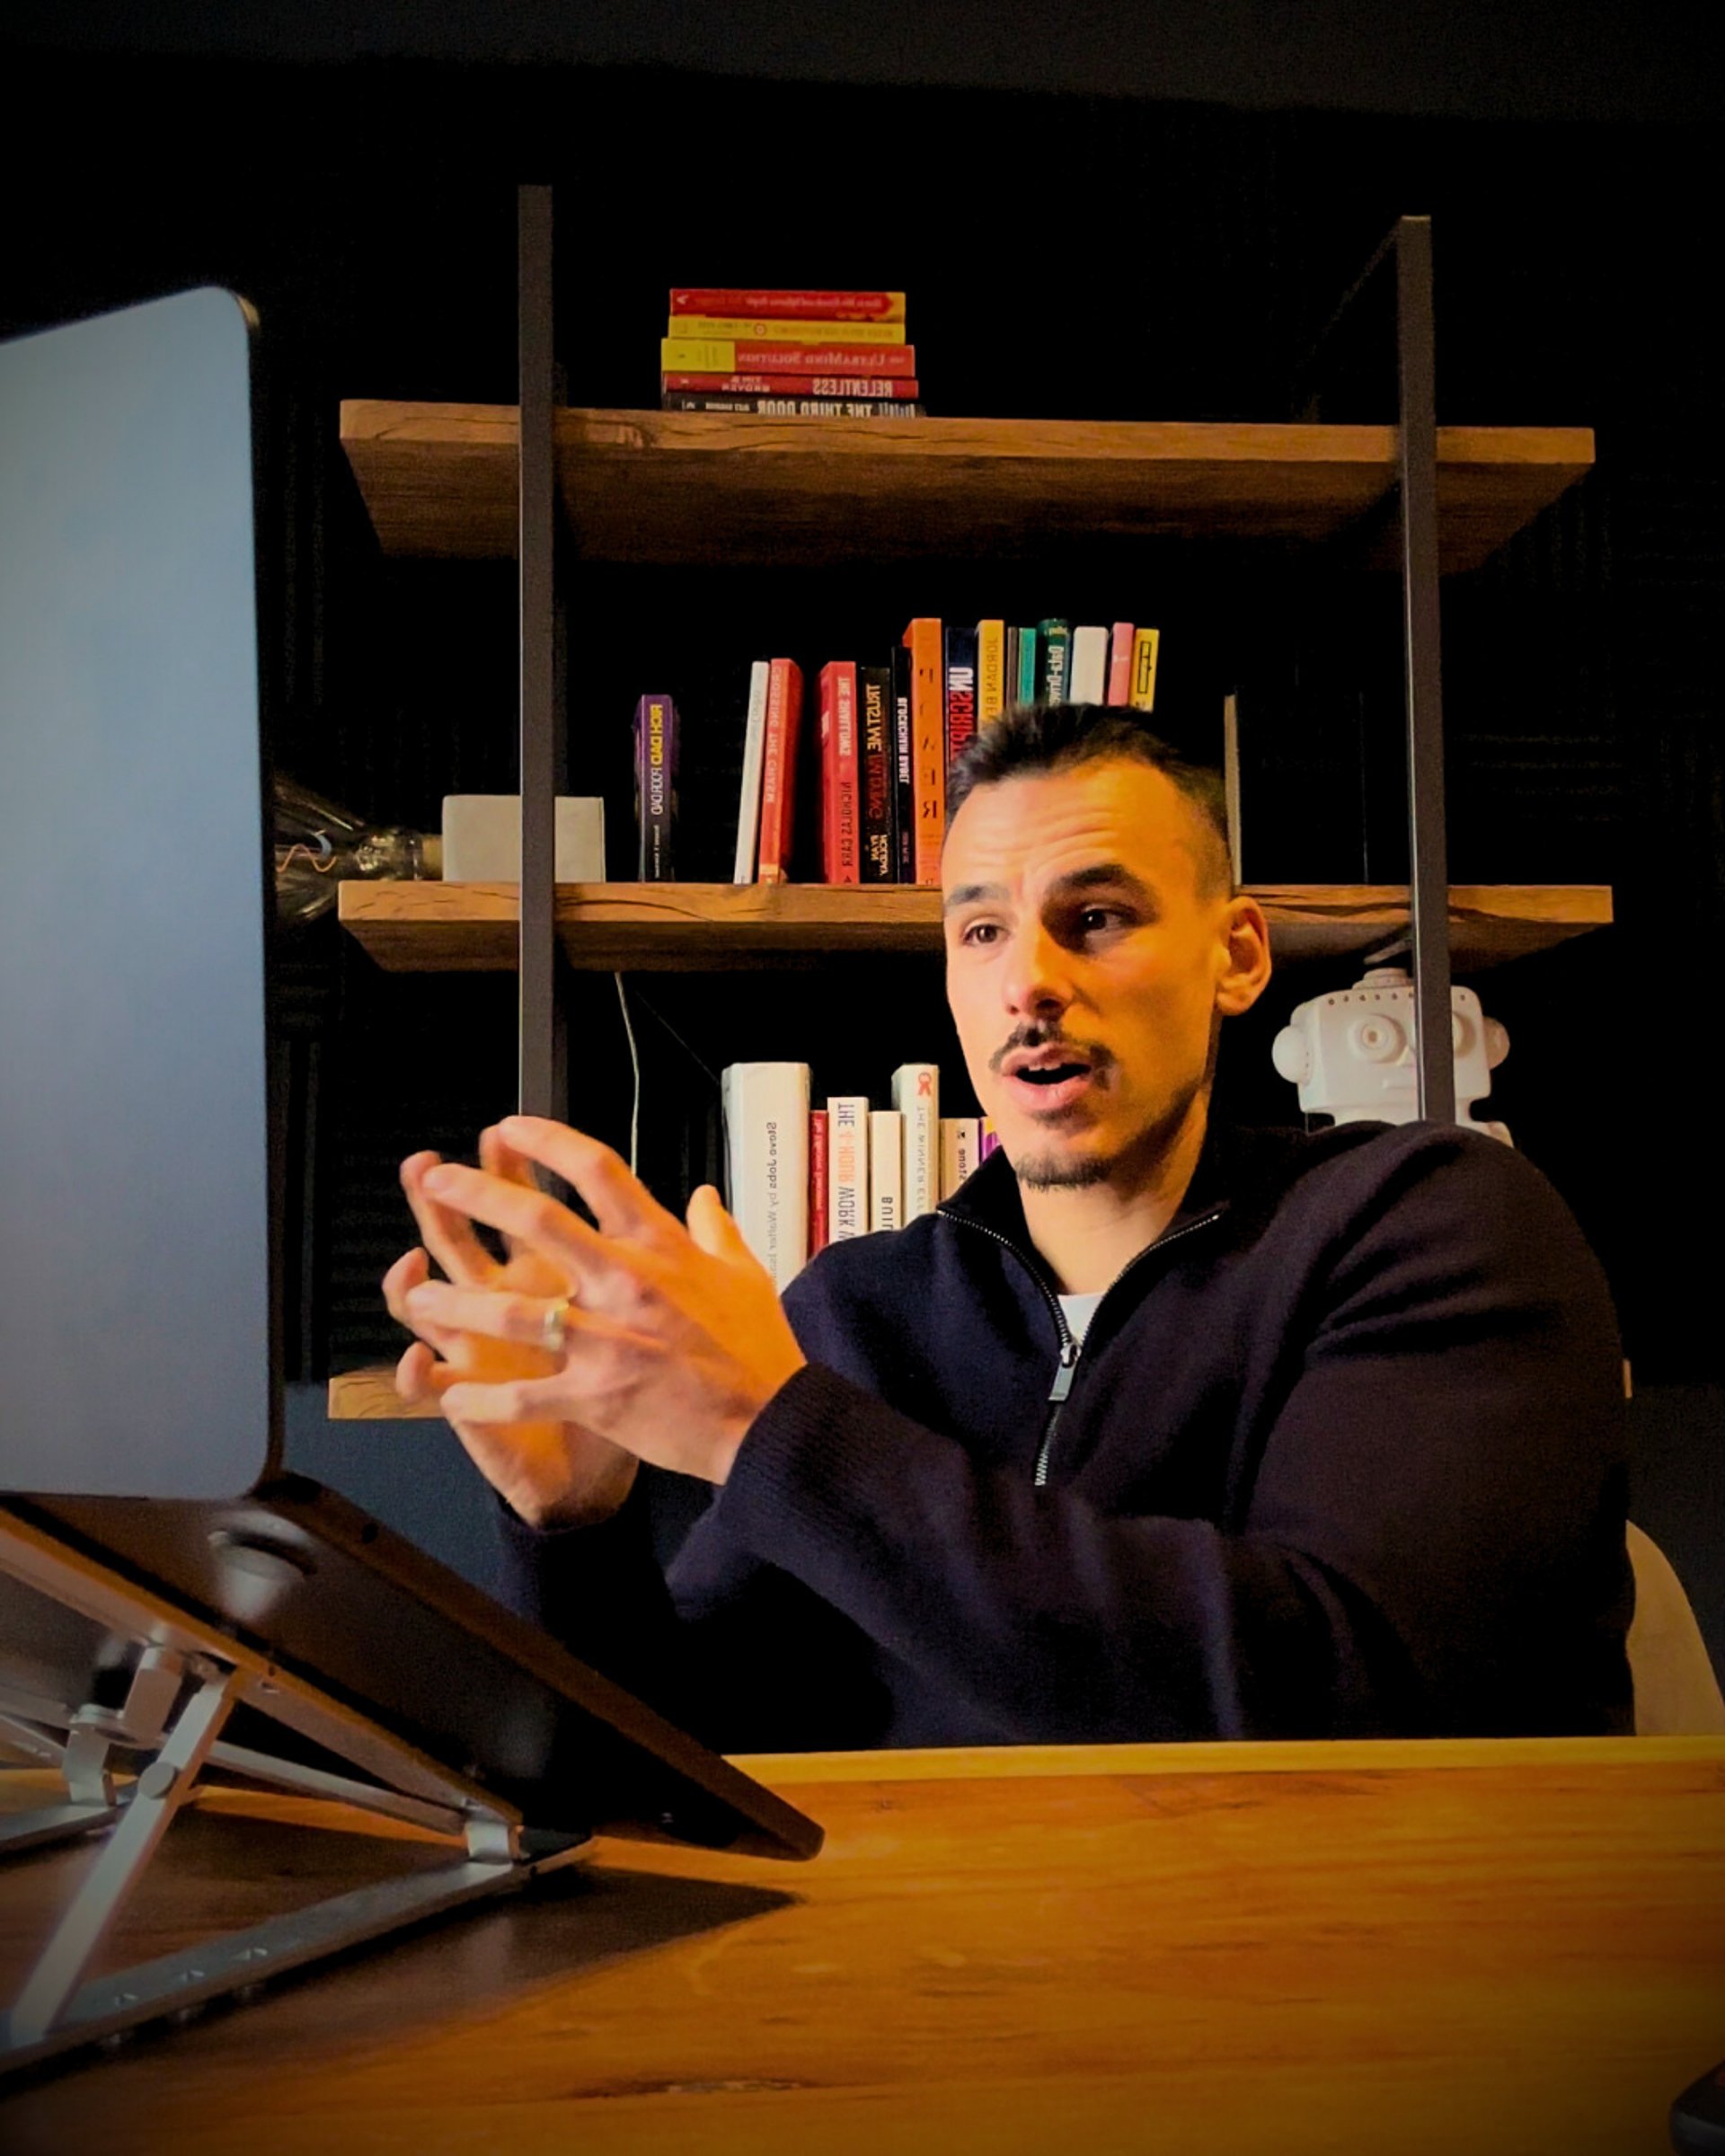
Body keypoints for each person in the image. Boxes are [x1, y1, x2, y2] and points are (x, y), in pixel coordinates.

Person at [384, 703, 1632, 1748]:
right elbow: (691, 1755)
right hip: (935, 1982)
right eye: (982, 930)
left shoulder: (1433, 1222)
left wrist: (766, 1429)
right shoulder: (856, 1312)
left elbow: (1330, 1697)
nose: (1028, 979)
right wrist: (572, 1538)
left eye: (1098, 918)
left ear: (1238, 956)